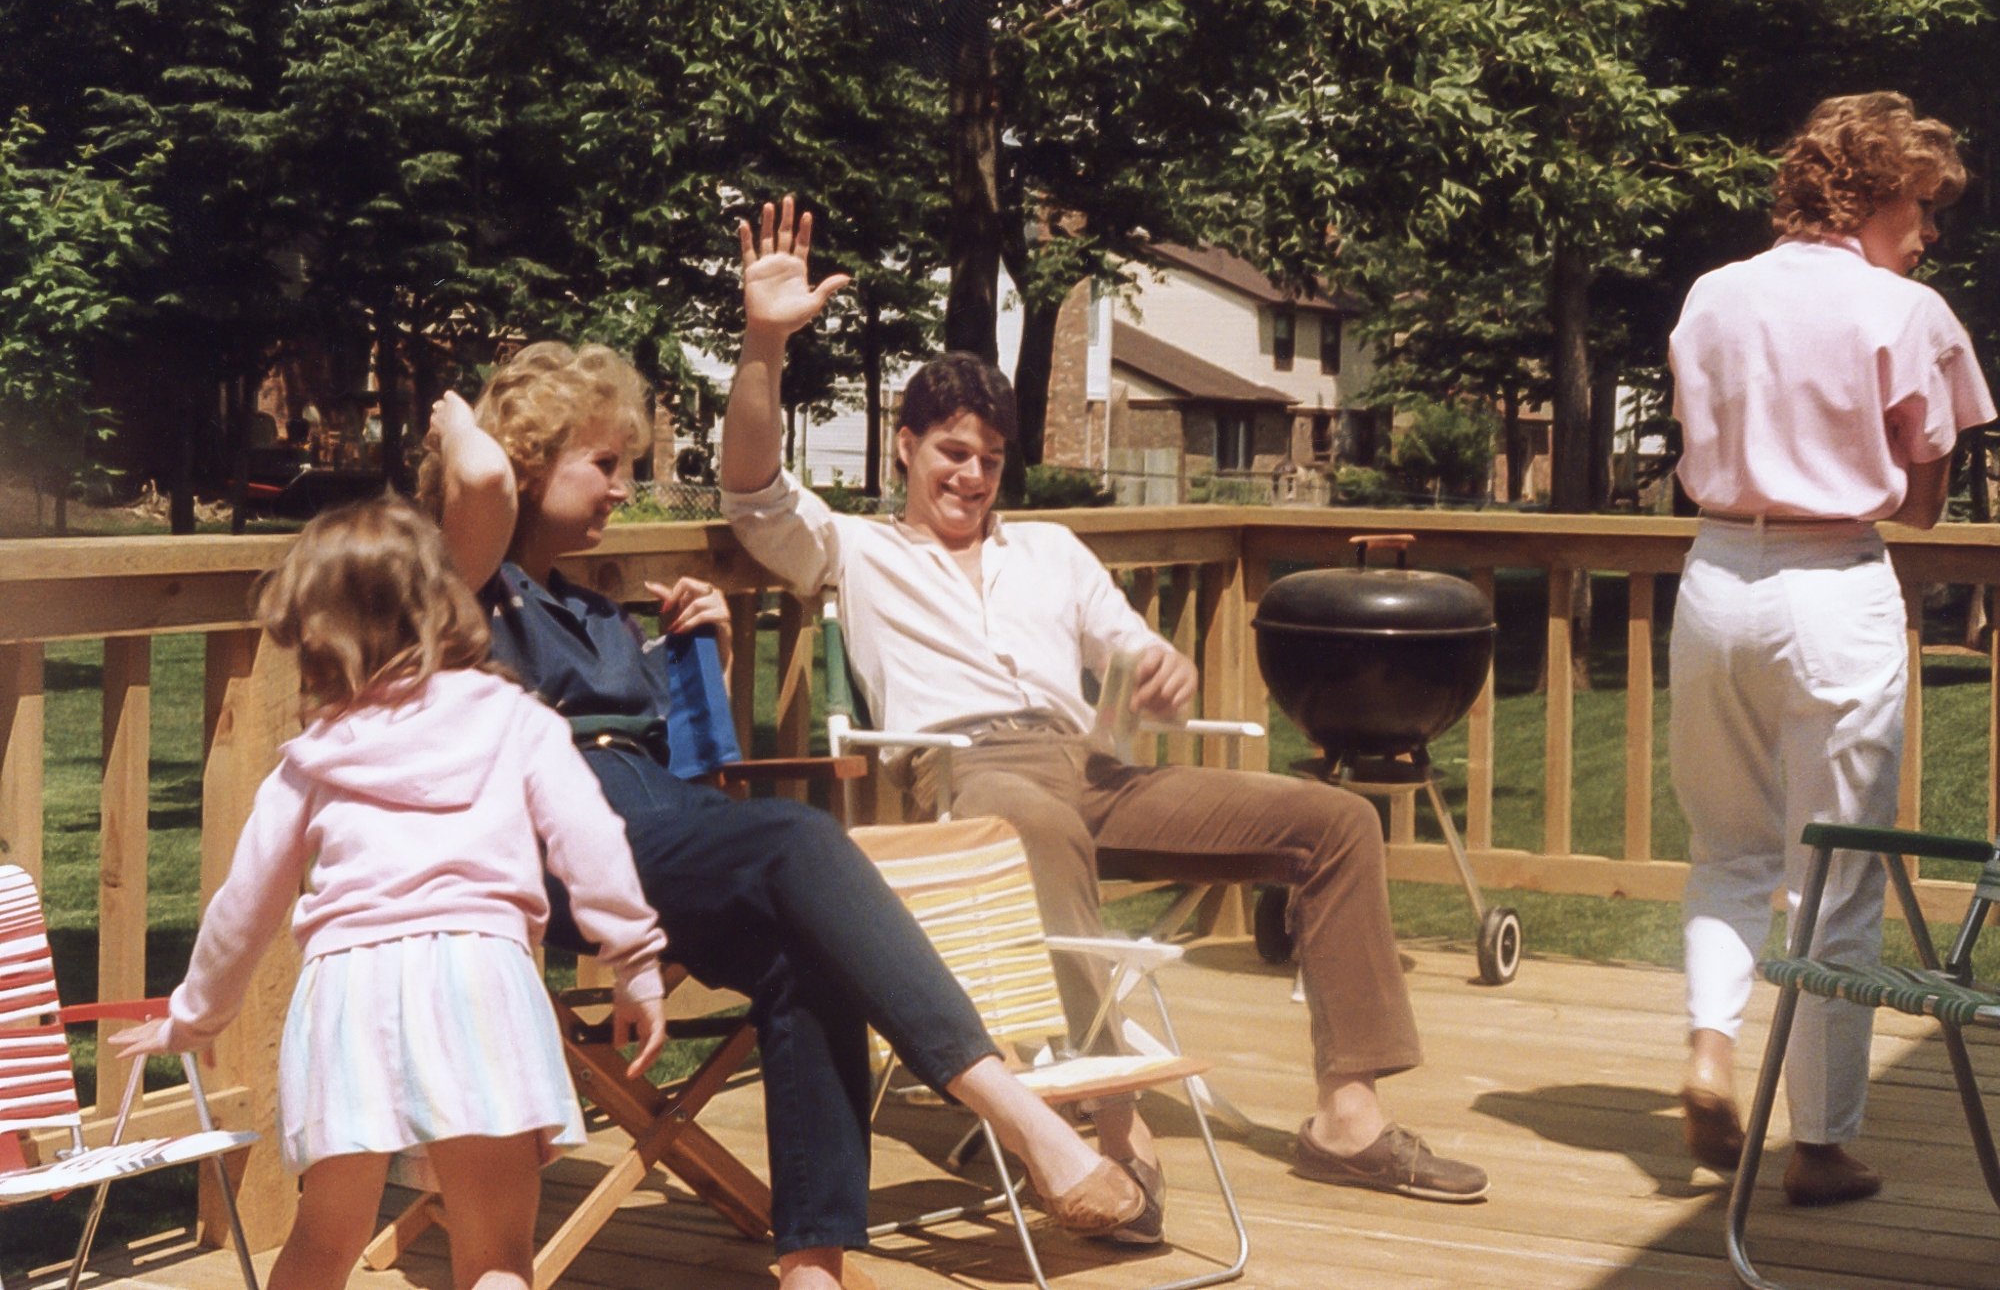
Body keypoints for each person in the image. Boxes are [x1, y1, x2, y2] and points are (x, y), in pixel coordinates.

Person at [721, 198, 1490, 1228]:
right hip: (958, 772)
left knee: (1335, 821)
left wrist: (1154, 668)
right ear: (904, 447)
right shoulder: (854, 548)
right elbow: (750, 486)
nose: (971, 476)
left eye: (989, 460)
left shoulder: (1047, 549)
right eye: (951, 452)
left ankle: (1345, 1113)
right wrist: (764, 341)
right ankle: (1107, 1115)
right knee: (1034, 826)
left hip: (1091, 767)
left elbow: (1124, 650)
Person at [419, 270, 1144, 1290]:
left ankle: (810, 1263)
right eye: (604, 464)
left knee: (807, 955)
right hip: (546, 846)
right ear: (534, 458)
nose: (625, 488)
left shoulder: (601, 609)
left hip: (651, 832)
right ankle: (1020, 1115)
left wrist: (702, 661)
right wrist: (463, 415)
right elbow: (484, 482)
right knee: (801, 838)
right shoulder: (465, 590)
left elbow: (689, 779)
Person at [109, 496, 673, 1290]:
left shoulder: (312, 759)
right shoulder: (517, 721)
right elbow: (591, 843)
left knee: (324, 1237)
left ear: (316, 637)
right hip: (482, 983)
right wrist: (635, 960)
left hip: (351, 994)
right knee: (498, 1253)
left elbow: (244, 905)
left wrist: (194, 1014)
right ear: (446, 601)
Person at [1668, 91, 1996, 1205]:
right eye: (1918, 203)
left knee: (1726, 846)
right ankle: (1817, 1145)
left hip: (1713, 577)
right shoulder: (1903, 308)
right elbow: (1916, 507)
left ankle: (1709, 1043)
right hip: (1829, 585)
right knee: (1836, 877)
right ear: (1865, 192)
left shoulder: (1712, 293)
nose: (1930, 229)